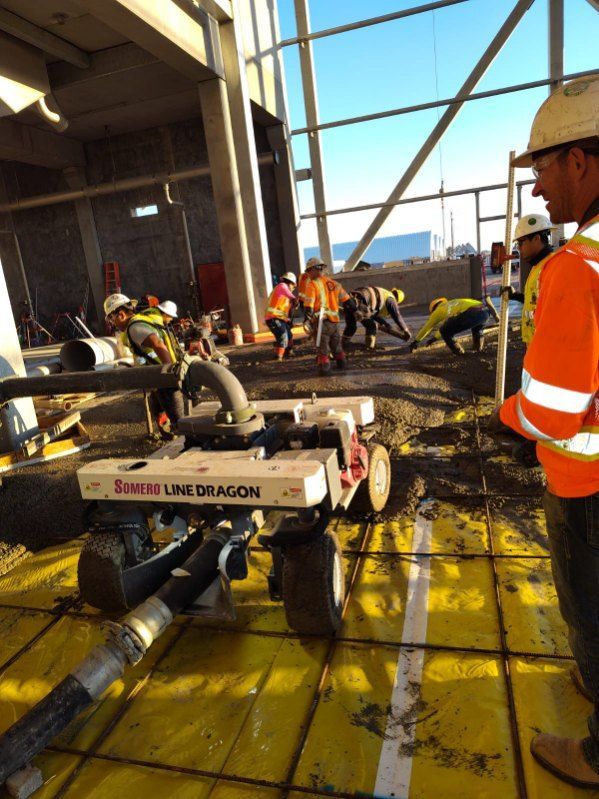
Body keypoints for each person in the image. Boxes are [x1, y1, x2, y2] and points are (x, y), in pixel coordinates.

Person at [489, 74, 599, 788]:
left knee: (591, 607)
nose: (535, 189)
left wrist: (506, 415)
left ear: (580, 161)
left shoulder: (574, 268)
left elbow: (551, 410)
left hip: (586, 484)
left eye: (541, 168)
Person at [104, 293, 184, 433]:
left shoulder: (134, 327)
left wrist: (170, 373)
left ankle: (189, 442)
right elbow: (145, 352)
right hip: (156, 378)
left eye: (112, 319)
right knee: (159, 409)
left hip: (164, 379)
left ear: (121, 315)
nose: (112, 324)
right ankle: (169, 433)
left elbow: (158, 345)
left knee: (179, 421)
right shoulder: (135, 326)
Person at [500, 214, 554, 345]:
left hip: (547, 346)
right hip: (536, 344)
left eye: (521, 242)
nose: (518, 248)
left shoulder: (552, 266)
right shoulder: (538, 266)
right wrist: (516, 296)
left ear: (536, 239)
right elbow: (537, 302)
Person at [303, 258, 355, 375]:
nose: (308, 274)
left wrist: (307, 321)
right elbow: (348, 301)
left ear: (314, 269)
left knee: (322, 348)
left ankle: (324, 370)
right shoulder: (335, 284)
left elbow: (309, 305)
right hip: (335, 323)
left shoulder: (312, 284)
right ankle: (342, 364)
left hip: (321, 322)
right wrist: (355, 311)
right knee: (336, 345)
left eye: (308, 271)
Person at [409, 297, 491, 355]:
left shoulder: (437, 311)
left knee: (445, 331)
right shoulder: (452, 304)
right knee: (477, 329)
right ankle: (478, 350)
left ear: (433, 309)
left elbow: (427, 327)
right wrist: (435, 338)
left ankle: (459, 353)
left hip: (471, 313)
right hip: (485, 311)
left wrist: (416, 341)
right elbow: (446, 324)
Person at [343, 286, 411, 349]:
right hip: (361, 301)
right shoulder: (391, 300)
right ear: (397, 301)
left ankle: (344, 344)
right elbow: (397, 316)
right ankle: (369, 347)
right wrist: (406, 331)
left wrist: (385, 324)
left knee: (351, 326)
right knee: (372, 325)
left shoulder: (384, 294)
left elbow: (372, 315)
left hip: (349, 300)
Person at [264, 271, 297, 361]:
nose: (293, 288)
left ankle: (289, 351)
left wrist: (288, 320)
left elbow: (283, 312)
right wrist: (294, 299)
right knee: (283, 334)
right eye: (293, 286)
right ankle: (279, 357)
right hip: (272, 318)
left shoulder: (285, 295)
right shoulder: (282, 286)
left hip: (279, 319)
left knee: (289, 335)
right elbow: (288, 293)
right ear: (290, 282)